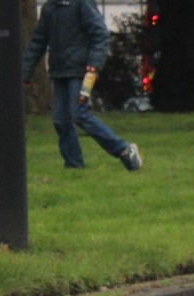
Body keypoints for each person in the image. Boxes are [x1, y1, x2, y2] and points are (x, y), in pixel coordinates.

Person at [22, 0, 142, 172]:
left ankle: (124, 150)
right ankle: (74, 165)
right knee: (60, 120)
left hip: (83, 72)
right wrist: (25, 72)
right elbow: (38, 41)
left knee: (80, 114)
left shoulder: (82, 3)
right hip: (60, 72)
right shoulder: (50, 8)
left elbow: (100, 34)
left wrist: (94, 64)